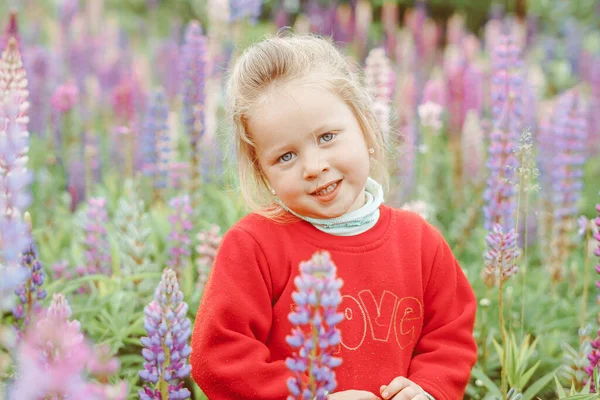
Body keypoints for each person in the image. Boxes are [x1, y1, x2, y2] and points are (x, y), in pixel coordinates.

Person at [190, 33, 477, 400]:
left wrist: (428, 388)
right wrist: (306, 394)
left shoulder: (420, 242)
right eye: (286, 157)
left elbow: (450, 336)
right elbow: (217, 357)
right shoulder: (254, 245)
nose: (314, 166)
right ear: (263, 173)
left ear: (364, 125)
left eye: (327, 137)